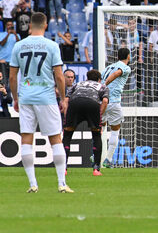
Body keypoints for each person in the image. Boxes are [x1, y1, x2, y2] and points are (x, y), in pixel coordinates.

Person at [8, 12, 72, 193]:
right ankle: (61, 183)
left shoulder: (19, 46)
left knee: (26, 139)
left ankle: (33, 184)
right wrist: (63, 98)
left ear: (29, 26)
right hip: (46, 98)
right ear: (45, 26)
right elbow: (59, 75)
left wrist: (15, 98)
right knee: (55, 139)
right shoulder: (52, 46)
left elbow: (12, 77)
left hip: (26, 97)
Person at [62, 69, 109, 175]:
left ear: (87, 78)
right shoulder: (102, 86)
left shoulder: (78, 84)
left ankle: (63, 168)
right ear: (99, 80)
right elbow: (105, 101)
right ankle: (96, 169)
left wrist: (67, 115)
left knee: (67, 135)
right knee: (96, 135)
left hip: (75, 104)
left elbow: (66, 100)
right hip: (92, 104)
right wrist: (99, 115)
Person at [100, 48, 132, 168]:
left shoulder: (108, 67)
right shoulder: (125, 67)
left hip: (101, 101)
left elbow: (100, 77)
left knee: (100, 128)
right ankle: (108, 159)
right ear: (128, 56)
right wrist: (105, 84)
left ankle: (96, 153)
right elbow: (117, 73)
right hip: (113, 101)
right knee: (115, 129)